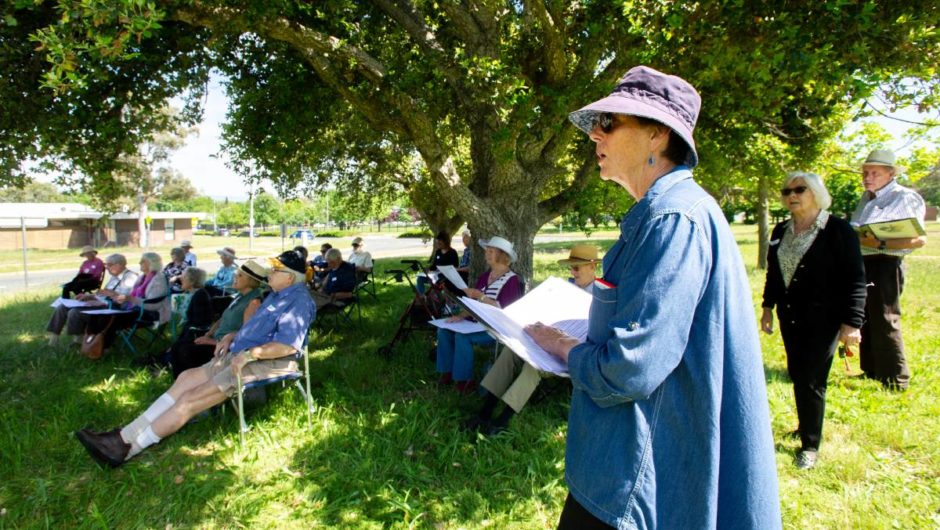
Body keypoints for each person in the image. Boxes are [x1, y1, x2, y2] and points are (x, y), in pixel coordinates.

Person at [525, 66, 780, 529]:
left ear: (657, 134)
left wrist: (561, 345)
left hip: (638, 470)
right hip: (636, 458)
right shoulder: (667, 212)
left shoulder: (672, 219)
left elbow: (631, 368)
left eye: (608, 123)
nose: (595, 135)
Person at [74, 250, 315, 468]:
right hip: (241, 353)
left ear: (289, 278)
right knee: (186, 378)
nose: (270, 273)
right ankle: (124, 436)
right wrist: (232, 335)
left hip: (267, 361)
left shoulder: (299, 301)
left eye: (276, 270)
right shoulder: (275, 294)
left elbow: (286, 345)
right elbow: (257, 328)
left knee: (191, 399)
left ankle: (128, 450)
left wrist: (251, 354)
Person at [761, 172, 867, 469]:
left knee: (812, 378)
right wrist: (767, 307)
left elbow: (856, 279)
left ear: (817, 193)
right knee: (798, 372)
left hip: (825, 317)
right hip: (790, 315)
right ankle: (805, 424)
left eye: (800, 190)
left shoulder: (838, 230)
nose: (792, 196)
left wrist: (852, 323)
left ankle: (810, 446)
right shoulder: (781, 229)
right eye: (786, 191)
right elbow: (774, 272)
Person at [469, 245, 600, 436]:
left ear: (593, 266)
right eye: (571, 268)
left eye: (576, 268)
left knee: (533, 366)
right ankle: (486, 410)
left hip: (571, 351)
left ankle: (503, 418)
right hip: (547, 338)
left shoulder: (601, 296)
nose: (572, 272)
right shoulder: (568, 288)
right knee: (511, 351)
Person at [850, 149, 927, 390]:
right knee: (865, 315)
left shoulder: (904, 197)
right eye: (865, 173)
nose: (868, 178)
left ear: (891, 174)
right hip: (864, 261)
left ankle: (896, 378)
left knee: (885, 317)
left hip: (886, 262)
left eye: (874, 173)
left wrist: (880, 243)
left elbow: (918, 239)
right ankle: (872, 370)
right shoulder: (866, 197)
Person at [436, 236, 522, 394]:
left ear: (502, 255)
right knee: (444, 330)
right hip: (474, 323)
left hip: (494, 327)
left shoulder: (512, 280)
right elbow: (473, 305)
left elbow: (505, 312)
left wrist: (481, 296)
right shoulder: (484, 276)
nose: (486, 254)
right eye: (486, 251)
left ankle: (464, 380)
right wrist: (460, 316)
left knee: (462, 337)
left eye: (491, 251)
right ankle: (447, 371)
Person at [169, 261, 266, 378]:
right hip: (217, 339)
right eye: (236, 274)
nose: (235, 277)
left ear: (251, 281)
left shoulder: (254, 301)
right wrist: (209, 334)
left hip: (228, 347)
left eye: (240, 276)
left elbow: (246, 333)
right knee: (178, 346)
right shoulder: (240, 296)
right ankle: (181, 383)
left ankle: (192, 383)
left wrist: (213, 342)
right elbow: (222, 319)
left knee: (186, 351)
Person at [82, 252, 171, 349]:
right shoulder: (142, 277)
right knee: (97, 314)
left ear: (151, 263)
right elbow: (131, 296)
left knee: (110, 317)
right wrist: (120, 298)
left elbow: (154, 305)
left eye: (143, 261)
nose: (139, 262)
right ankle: (91, 343)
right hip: (134, 309)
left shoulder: (158, 279)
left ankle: (101, 347)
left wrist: (130, 299)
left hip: (150, 313)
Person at [46, 253, 139, 346]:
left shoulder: (130, 277)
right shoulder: (115, 277)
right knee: (62, 307)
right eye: (106, 265)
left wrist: (102, 302)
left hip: (114, 309)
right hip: (103, 304)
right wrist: (90, 296)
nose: (106, 268)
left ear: (118, 265)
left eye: (109, 265)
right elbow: (105, 294)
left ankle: (79, 340)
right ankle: (53, 338)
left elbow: (122, 299)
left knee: (75, 312)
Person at [152, 267, 214, 373]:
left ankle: (162, 364)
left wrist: (182, 339)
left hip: (197, 336)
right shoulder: (197, 294)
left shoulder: (200, 296)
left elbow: (199, 324)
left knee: (174, 349)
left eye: (184, 277)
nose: (181, 278)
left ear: (192, 281)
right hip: (193, 332)